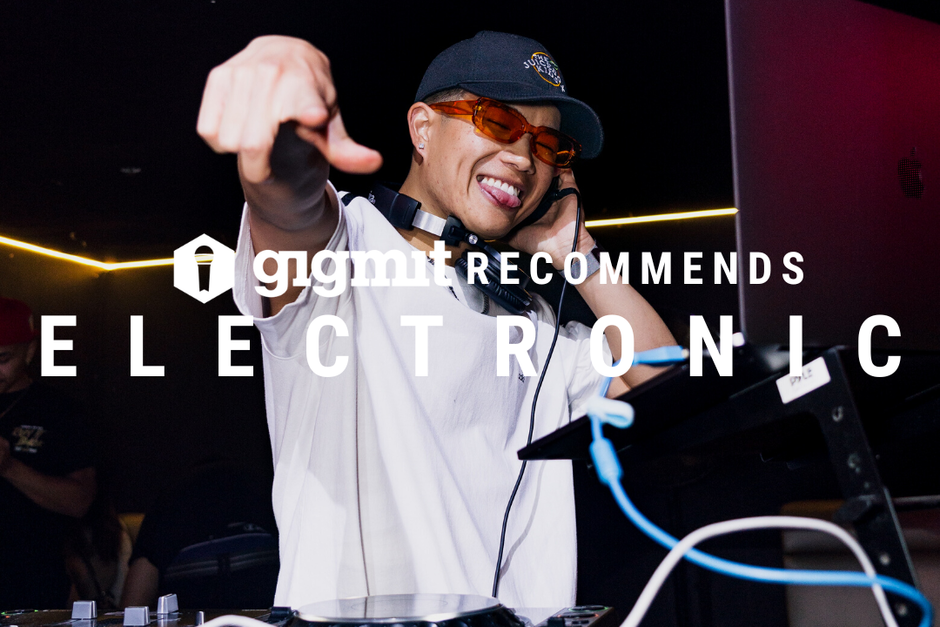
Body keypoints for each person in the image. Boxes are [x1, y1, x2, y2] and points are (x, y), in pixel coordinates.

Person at [196, 31, 676, 609]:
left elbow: (667, 392)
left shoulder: (535, 325)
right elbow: (286, 203)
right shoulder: (344, 252)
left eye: (548, 146)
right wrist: (283, 120)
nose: (524, 159)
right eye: (498, 122)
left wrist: (577, 256)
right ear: (422, 129)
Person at [0, 296, 97, 609]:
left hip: (35, 590)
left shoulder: (59, 412)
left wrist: (9, 467)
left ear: (30, 351)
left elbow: (80, 502)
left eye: (2, 359)